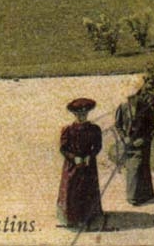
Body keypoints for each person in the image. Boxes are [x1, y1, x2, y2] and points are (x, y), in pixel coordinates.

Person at [57, 97, 103, 230]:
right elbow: (63, 148)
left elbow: (98, 146)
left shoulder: (94, 129)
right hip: (73, 165)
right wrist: (73, 158)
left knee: (88, 189)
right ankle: (72, 217)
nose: (82, 116)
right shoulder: (68, 130)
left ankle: (88, 216)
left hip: (89, 164)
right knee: (72, 189)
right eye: (79, 114)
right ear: (74, 115)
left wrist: (91, 155)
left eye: (84, 114)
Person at [115, 90, 154, 205]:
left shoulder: (145, 108)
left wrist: (143, 139)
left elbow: (151, 125)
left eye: (133, 98)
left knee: (143, 166)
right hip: (129, 142)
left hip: (143, 141)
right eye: (128, 98)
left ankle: (146, 193)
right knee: (133, 167)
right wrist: (124, 138)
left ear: (137, 96)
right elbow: (118, 125)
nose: (130, 101)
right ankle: (132, 196)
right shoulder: (122, 107)